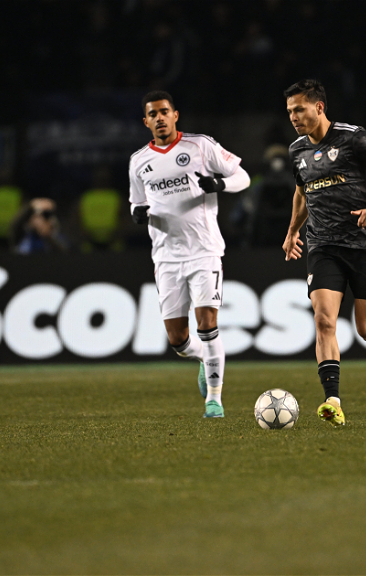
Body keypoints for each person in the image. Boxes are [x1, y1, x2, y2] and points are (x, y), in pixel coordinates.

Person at [281, 79, 366, 427]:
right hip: (322, 246)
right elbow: (302, 192)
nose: (293, 117)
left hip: (364, 244)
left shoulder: (353, 138)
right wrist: (292, 232)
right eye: (290, 111)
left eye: (299, 109)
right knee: (324, 320)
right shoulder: (297, 150)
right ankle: (332, 401)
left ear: (319, 107)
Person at [128, 90, 250, 418]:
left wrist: (219, 185)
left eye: (164, 111)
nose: (159, 118)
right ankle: (202, 358)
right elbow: (137, 203)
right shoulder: (138, 161)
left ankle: (214, 399)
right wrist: (137, 214)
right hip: (166, 256)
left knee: (207, 324)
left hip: (204, 250)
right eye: (153, 114)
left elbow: (242, 176)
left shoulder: (200, 146)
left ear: (175, 115)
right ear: (146, 121)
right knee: (178, 340)